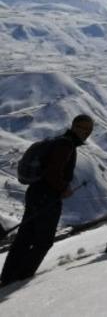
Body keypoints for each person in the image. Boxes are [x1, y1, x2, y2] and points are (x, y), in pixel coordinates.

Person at [1, 114, 94, 287]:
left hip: (35, 192)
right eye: (82, 127)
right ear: (73, 126)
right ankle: (21, 278)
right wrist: (63, 189)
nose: (85, 132)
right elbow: (53, 172)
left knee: (25, 237)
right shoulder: (66, 145)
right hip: (47, 195)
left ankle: (7, 277)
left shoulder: (59, 141)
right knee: (43, 241)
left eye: (88, 130)